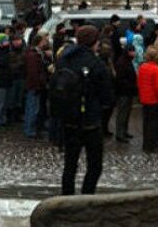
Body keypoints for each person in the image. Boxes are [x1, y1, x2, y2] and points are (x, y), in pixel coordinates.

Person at [58, 25, 114, 195]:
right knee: (95, 165)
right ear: (94, 42)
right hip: (90, 120)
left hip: (68, 119)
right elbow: (108, 96)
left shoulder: (64, 58)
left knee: (70, 165)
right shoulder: (96, 64)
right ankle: (87, 197)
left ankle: (67, 199)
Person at [137, 46, 158, 153]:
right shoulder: (157, 69)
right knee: (153, 124)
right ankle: (152, 145)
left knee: (147, 123)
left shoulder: (142, 67)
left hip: (145, 98)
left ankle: (146, 144)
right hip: (154, 100)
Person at [114, 46, 137, 143]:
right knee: (122, 113)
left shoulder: (126, 61)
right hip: (123, 92)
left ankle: (124, 131)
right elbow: (120, 79)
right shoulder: (122, 63)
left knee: (126, 112)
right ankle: (120, 133)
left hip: (127, 91)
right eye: (133, 51)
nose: (134, 53)